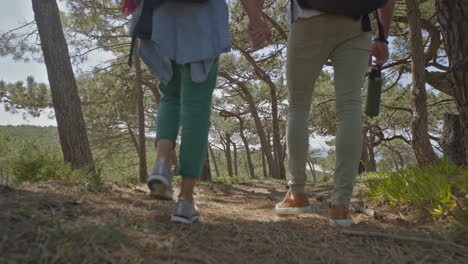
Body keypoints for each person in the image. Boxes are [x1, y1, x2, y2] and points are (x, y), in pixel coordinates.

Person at [245, 0, 396, 227]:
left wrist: (256, 20)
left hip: (308, 21)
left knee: (298, 105)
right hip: (356, 26)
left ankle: (297, 194)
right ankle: (341, 204)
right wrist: (383, 37)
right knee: (350, 108)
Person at [126, 0, 271, 224]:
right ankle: (185, 199)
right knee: (197, 106)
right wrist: (255, 19)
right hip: (201, 21)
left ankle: (162, 164)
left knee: (170, 94)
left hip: (160, 19)